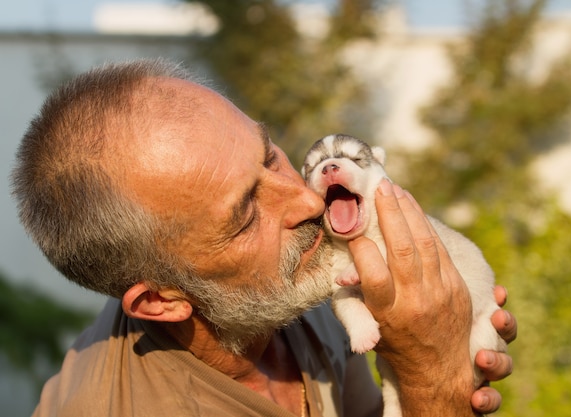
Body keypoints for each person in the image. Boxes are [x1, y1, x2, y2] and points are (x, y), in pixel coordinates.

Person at [12, 59, 516, 417]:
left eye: (269, 154)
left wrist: (416, 352)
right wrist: (431, 381)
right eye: (246, 214)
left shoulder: (278, 283)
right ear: (161, 301)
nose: (307, 202)